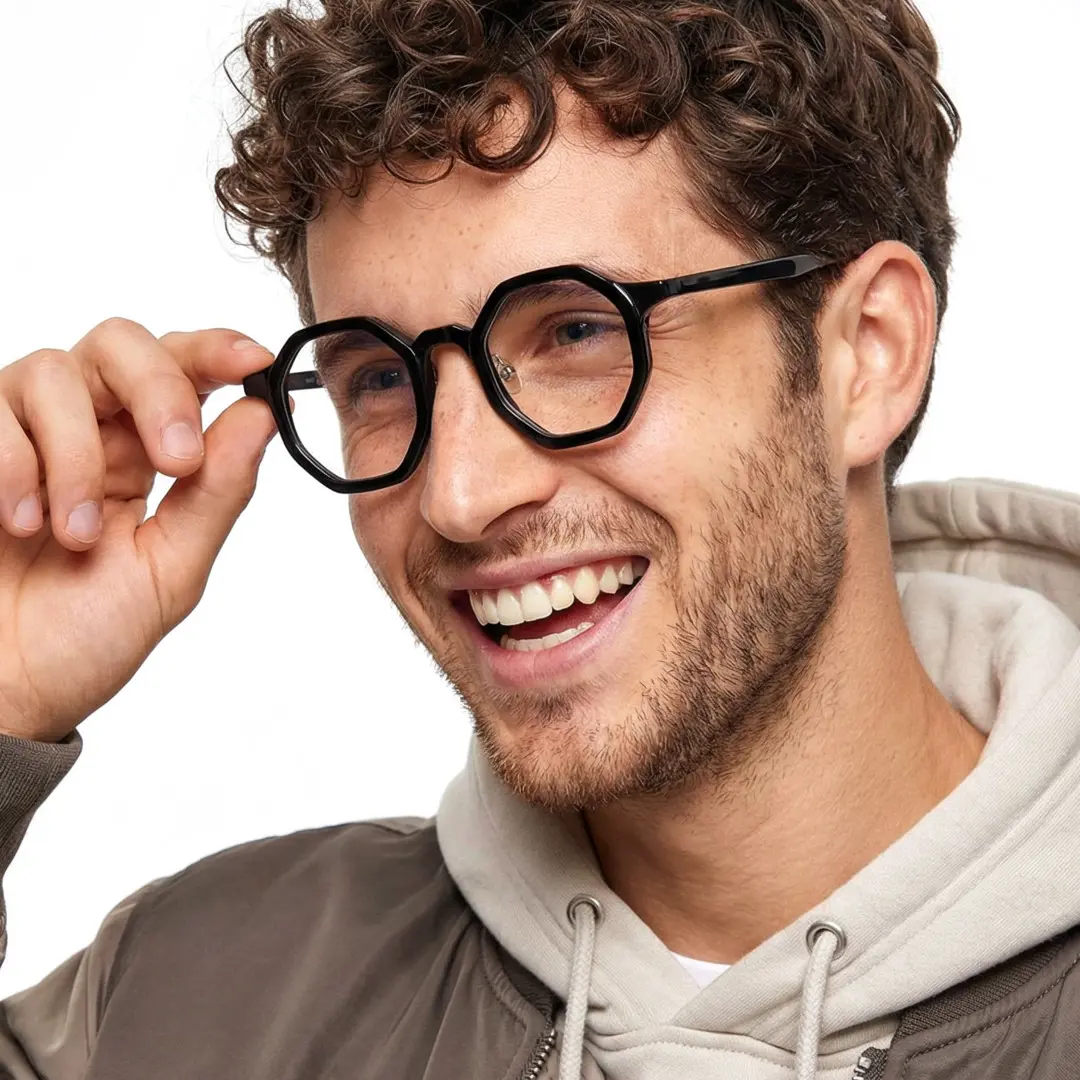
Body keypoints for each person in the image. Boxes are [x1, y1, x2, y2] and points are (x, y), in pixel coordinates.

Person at [1, 1, 1078, 1078]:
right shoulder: (193, 996)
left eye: (576, 331)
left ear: (870, 354)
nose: (458, 494)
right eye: (382, 378)